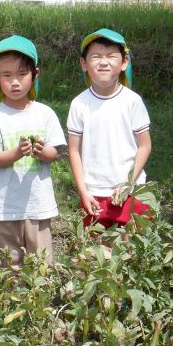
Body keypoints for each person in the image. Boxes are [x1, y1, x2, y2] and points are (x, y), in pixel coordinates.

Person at [0, 35, 66, 265]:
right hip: (4, 207)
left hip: (38, 205)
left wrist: (39, 151)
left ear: (35, 74)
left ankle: (42, 302)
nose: (15, 82)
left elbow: (54, 154)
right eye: (7, 76)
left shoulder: (45, 113)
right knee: (12, 266)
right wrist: (18, 152)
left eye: (22, 75)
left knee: (42, 265)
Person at [67, 28, 151, 228]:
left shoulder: (132, 101)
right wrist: (83, 191)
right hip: (93, 192)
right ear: (83, 64)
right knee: (96, 253)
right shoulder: (79, 104)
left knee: (133, 248)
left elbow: (145, 145)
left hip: (131, 190)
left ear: (124, 63)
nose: (103, 62)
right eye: (96, 56)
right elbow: (73, 150)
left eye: (111, 56)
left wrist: (129, 182)